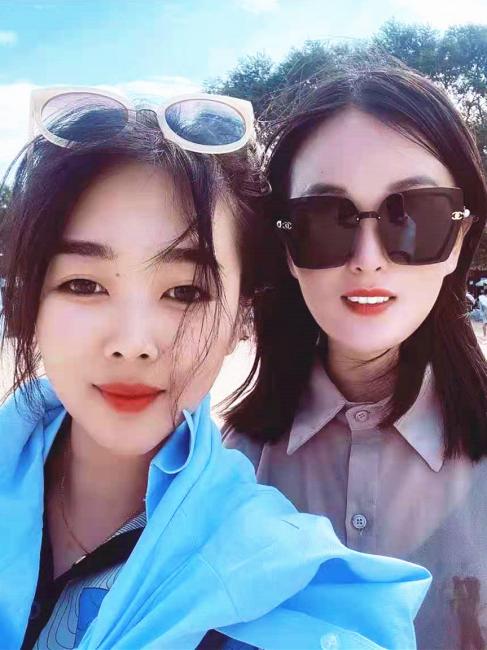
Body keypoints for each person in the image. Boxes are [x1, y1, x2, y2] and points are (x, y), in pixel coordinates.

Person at [0, 89, 430, 650]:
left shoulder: (276, 580)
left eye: (185, 291)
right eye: (84, 285)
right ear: (31, 301)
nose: (133, 345)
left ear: (239, 319)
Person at [224, 59, 487, 650]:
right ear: (287, 246)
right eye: (326, 220)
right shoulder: (229, 470)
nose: (368, 259)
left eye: (413, 215)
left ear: (458, 240)